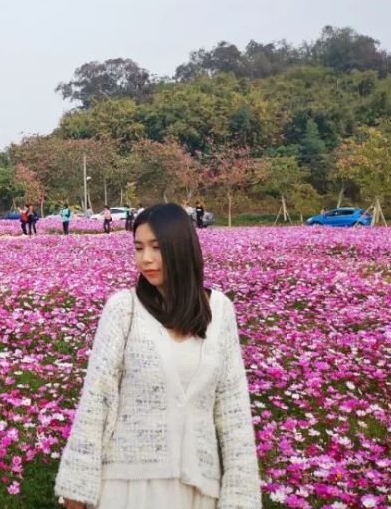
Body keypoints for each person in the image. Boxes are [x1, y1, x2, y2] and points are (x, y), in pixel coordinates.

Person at [55, 203, 261, 509]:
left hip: (197, 490)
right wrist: (76, 492)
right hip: (125, 488)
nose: (145, 259)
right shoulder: (123, 309)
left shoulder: (219, 311)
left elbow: (234, 412)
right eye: (138, 248)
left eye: (156, 247)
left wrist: (241, 499)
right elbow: (96, 400)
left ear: (181, 248)